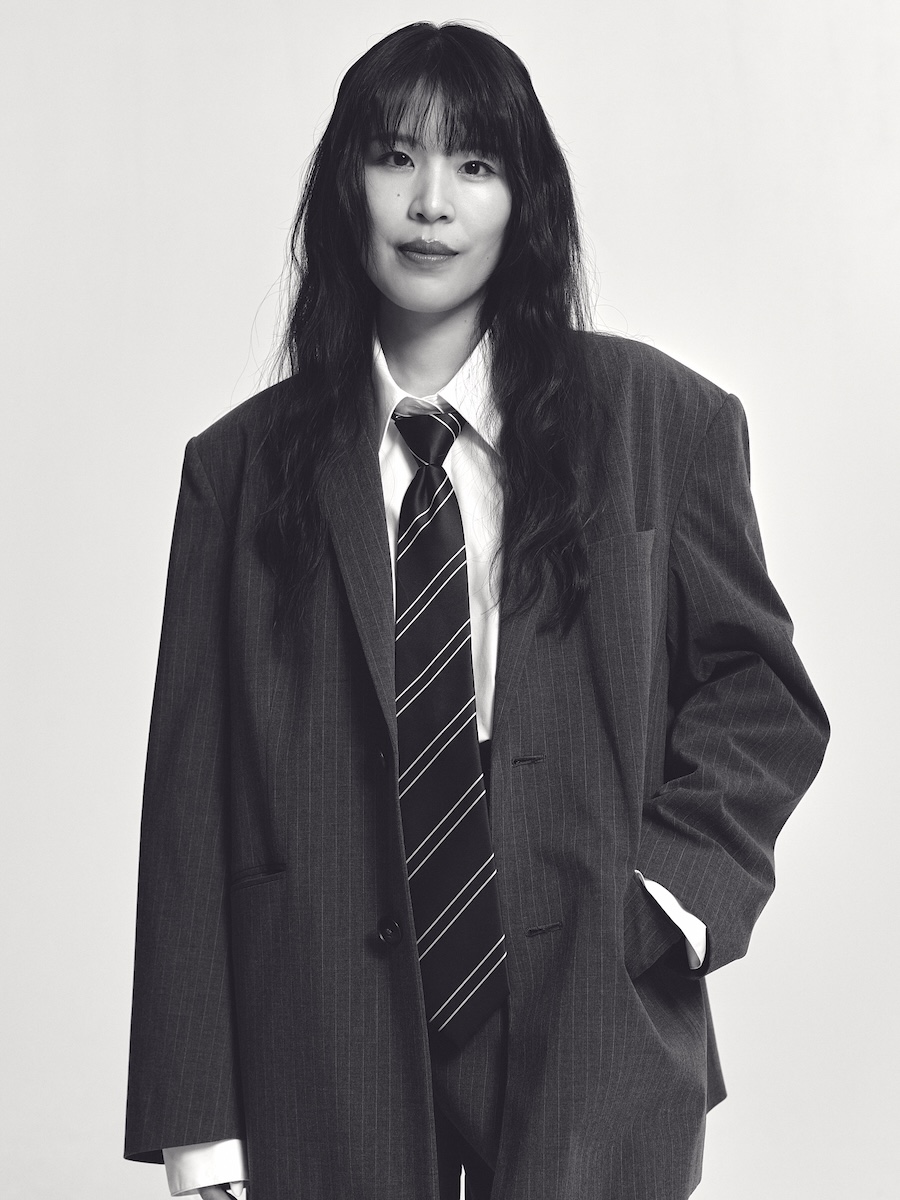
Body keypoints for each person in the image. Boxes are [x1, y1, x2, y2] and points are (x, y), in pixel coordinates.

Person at [124, 20, 829, 1200]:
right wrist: (198, 1119)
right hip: (319, 1029)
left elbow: (762, 695)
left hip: (588, 1010)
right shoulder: (236, 470)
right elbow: (188, 802)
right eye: (396, 157)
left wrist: (666, 901)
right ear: (347, 187)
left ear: (523, 198)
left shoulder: (663, 421)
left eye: (475, 164)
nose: (432, 204)